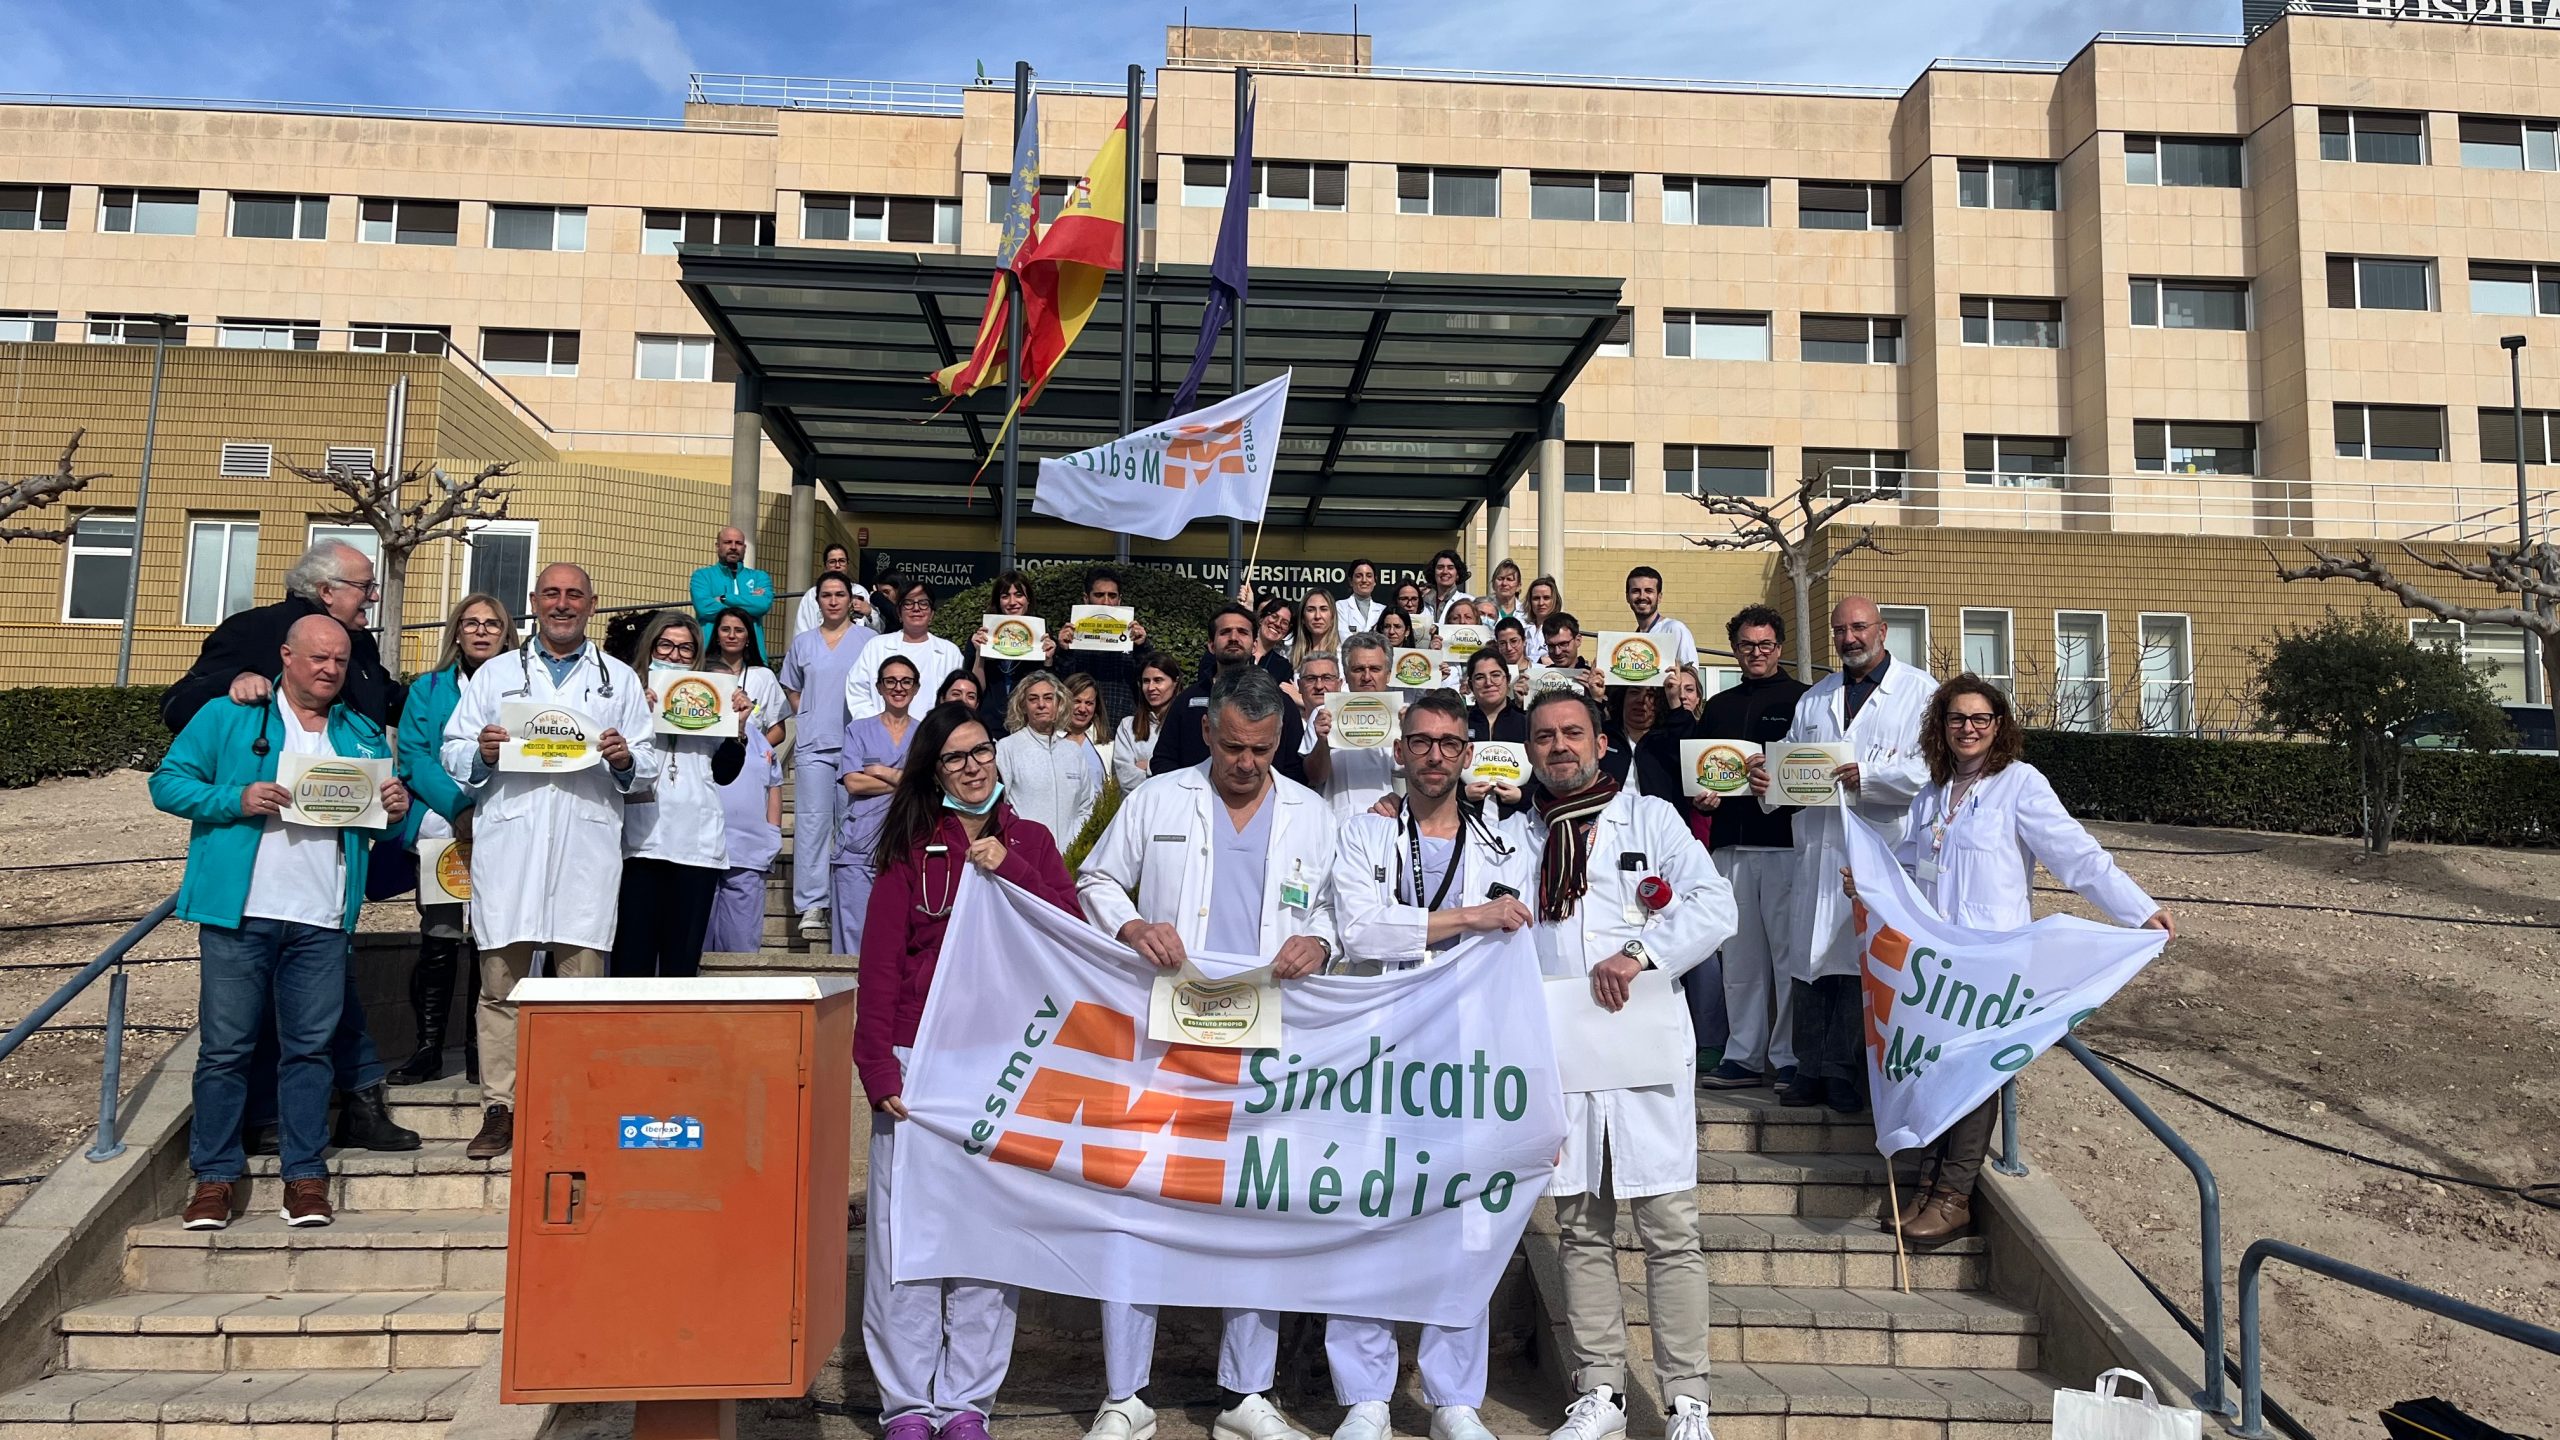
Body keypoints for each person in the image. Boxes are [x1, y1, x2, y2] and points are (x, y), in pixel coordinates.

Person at [1077, 666, 1338, 1440]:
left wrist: (1322, 941)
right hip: (1164, 1034)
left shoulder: (1313, 814)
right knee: (1138, 1203)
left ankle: (1245, 1394)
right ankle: (1125, 1394)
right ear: (1206, 733)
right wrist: (1131, 925)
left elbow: (1337, 907)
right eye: (1232, 747)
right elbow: (1096, 879)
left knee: (1255, 1209)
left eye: (1261, 749)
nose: (1246, 763)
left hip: (1268, 1038)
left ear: (1281, 740)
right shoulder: (1158, 799)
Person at [1849, 676, 2171, 1246]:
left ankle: (1954, 1197)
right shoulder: (1932, 792)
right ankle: (1927, 1184)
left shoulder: (2020, 784)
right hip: (1941, 961)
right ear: (1940, 726)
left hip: (1991, 963)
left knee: (1976, 1072)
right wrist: (1870, 884)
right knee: (1934, 1067)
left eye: (1980, 719)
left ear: (1998, 726)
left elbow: (2076, 856)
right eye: (1956, 718)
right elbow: (1907, 864)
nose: (1967, 729)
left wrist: (2140, 911)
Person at [859, 702, 1080, 1440]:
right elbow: (881, 965)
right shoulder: (912, 849)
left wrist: (1010, 868)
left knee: (988, 1238)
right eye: (955, 758)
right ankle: (906, 1405)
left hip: (1002, 1066)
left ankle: (965, 1404)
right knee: (907, 1238)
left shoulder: (1033, 841)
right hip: (917, 1065)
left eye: (981, 750)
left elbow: (1072, 933)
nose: (973, 766)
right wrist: (876, 1066)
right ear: (935, 772)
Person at [154, 616, 415, 1231]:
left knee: (309, 1053)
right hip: (240, 913)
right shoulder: (231, 715)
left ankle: (304, 1175)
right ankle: (214, 1178)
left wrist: (395, 810)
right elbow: (167, 784)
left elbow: (380, 828)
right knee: (225, 1051)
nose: (330, 669)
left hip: (321, 918)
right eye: (318, 657)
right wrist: (235, 799)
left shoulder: (362, 734)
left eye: (340, 660)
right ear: (286, 657)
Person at [1323, 691, 1536, 1440]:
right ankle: (1366, 1396)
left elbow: (1521, 941)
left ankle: (1454, 1399)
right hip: (1380, 1050)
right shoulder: (1365, 833)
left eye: (1449, 742)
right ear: (1400, 751)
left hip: (1469, 1056)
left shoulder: (1508, 843)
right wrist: (1472, 918)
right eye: (1422, 741)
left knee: (1465, 1224)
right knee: (1369, 1215)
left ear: (1468, 754)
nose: (1435, 754)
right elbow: (1360, 931)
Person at [1521, 689, 1734, 1440]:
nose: (1559, 747)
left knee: (1670, 1228)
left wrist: (1641, 952)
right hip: (1565, 1055)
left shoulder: (1651, 819)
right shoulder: (1515, 835)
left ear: (1600, 741)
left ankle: (1688, 1401)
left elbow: (1714, 906)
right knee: (1580, 1226)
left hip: (1643, 1050)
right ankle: (1601, 1392)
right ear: (1529, 748)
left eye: (1572, 733)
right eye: (1544, 736)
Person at [442, 562, 660, 1160]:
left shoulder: (617, 679)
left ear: (592, 603)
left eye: (574, 595)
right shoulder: (496, 674)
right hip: (511, 845)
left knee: (581, 988)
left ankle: (573, 1106)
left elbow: (647, 765)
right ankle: (500, 1108)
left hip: (584, 850)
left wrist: (624, 759)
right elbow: (453, 749)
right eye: (552, 594)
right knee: (499, 987)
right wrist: (482, 753)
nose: (562, 604)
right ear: (535, 601)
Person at [1749, 594, 1936, 1113]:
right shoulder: (1817, 698)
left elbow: (1929, 771)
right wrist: (1767, 781)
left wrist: (1868, 778)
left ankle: (1845, 1073)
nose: (1849, 639)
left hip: (1879, 846)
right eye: (1839, 631)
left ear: (1882, 630)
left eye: (1858, 628)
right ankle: (1808, 1069)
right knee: (1811, 960)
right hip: (1816, 847)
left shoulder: (1920, 693)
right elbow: (1791, 763)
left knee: (1858, 960)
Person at [388, 593, 508, 1086]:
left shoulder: (519, 686)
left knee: (491, 940)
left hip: (501, 826)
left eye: (492, 624)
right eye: (471, 622)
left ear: (506, 633)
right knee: (439, 936)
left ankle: (482, 1050)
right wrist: (458, 809)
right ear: (456, 631)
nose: (481, 631)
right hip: (443, 828)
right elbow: (415, 757)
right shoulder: (428, 688)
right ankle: (429, 1048)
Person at [1696, 606, 1810, 1092]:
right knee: (1739, 959)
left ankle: (1788, 1058)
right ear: (1734, 649)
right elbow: (1699, 773)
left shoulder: (1803, 700)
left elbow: (1811, 776)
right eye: (1746, 645)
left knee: (1787, 958)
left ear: (1779, 647)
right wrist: (1702, 797)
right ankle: (1743, 1055)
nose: (1756, 653)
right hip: (1730, 844)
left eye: (1765, 644)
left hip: (1785, 845)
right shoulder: (1718, 707)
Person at [614, 613, 751, 979]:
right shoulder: (627, 694)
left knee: (682, 966)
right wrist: (635, 714)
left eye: (685, 649)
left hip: (696, 846)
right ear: (650, 648)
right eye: (666, 646)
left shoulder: (710, 697)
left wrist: (737, 729)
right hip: (641, 845)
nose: (674, 656)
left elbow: (724, 773)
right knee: (632, 962)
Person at [161, 539, 398, 732]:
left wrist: (422, 696)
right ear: (326, 591)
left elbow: (387, 700)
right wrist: (235, 679)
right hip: (267, 775)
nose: (374, 597)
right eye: (365, 586)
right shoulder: (254, 628)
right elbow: (176, 706)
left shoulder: (361, 642)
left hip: (350, 774)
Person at [780, 572, 872, 940]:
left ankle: (847, 896)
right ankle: (813, 904)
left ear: (851, 600)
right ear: (817, 601)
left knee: (852, 825)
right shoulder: (803, 643)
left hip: (856, 746)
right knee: (812, 825)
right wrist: (809, 713)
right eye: (826, 595)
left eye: (839, 594)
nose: (833, 601)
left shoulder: (869, 641)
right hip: (815, 745)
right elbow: (792, 687)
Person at [1149, 605, 1310, 785]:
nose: (1234, 638)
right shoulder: (1187, 701)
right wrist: (1186, 794)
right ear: (1211, 645)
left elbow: (1295, 769)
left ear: (1254, 645)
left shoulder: (1279, 702)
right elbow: (1163, 760)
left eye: (1242, 632)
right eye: (1225, 632)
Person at [834, 656, 923, 957]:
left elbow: (928, 785)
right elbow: (854, 783)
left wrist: (882, 771)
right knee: (854, 938)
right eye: (891, 681)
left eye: (906, 681)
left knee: (897, 937)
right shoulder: (858, 730)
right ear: (879, 688)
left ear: (916, 688)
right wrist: (907, 781)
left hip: (906, 845)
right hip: (858, 846)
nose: (898, 688)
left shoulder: (924, 734)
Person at [995, 670, 1099, 860]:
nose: (1041, 704)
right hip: (1025, 858)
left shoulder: (1073, 751)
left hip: (1068, 858)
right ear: (1023, 706)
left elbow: (1086, 805)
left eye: (1048, 698)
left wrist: (1074, 842)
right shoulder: (1007, 748)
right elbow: (1001, 806)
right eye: (1033, 699)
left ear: (1059, 704)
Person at [706, 722, 784, 954]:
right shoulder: (698, 731)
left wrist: (773, 832)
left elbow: (774, 784)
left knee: (741, 949)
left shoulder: (759, 739)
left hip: (749, 855)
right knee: (693, 945)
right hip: (702, 854)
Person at [1304, 634, 1399, 822]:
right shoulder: (1323, 714)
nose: (1367, 677)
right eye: (1358, 669)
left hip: (1386, 820)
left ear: (1388, 674)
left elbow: (1409, 772)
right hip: (1335, 820)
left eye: (1375, 669)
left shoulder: (1401, 716)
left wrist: (1408, 734)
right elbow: (1314, 777)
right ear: (1346, 675)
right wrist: (1323, 743)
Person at [851, 580, 966, 721]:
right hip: (882, 730)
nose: (916, 608)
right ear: (899, 613)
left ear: (932, 614)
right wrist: (876, 725)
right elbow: (858, 690)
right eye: (908, 603)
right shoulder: (876, 647)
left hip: (934, 732)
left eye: (923, 603)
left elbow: (958, 697)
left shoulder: (949, 652)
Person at [1057, 566, 1153, 724]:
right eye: (1099, 595)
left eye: (1112, 596)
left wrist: (1141, 647)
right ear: (1086, 598)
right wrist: (1064, 651)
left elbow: (1149, 680)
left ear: (1119, 600)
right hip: (1080, 726)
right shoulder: (1071, 639)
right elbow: (1060, 684)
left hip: (1121, 727)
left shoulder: (1132, 639)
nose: (1106, 602)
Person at [971, 569, 1060, 733]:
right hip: (990, 725)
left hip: (1028, 726)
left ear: (1028, 600)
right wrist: (979, 654)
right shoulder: (981, 637)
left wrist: (1048, 660)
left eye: (1019, 595)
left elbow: (1050, 691)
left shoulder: (1043, 639)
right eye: (1005, 596)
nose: (1012, 602)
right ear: (998, 601)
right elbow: (975, 689)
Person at [704, 605, 789, 748]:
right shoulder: (701, 674)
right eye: (725, 629)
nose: (731, 636)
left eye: (739, 630)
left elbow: (778, 731)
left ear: (748, 637)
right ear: (717, 636)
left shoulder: (764, 676)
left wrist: (754, 752)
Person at [1112, 652, 1182, 795]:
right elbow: (1126, 779)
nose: (1151, 688)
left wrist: (1150, 767)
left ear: (1175, 682)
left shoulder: (1188, 723)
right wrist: (1170, 773)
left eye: (1158, 680)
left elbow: (1189, 773)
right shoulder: (1127, 726)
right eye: (1146, 681)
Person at [690, 524, 774, 622]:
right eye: (728, 542)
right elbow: (705, 609)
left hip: (751, 633)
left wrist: (724, 599)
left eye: (738, 543)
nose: (733, 547)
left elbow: (762, 605)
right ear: (717, 546)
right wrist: (750, 604)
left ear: (744, 548)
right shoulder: (702, 576)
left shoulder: (759, 577)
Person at [1623, 566, 1700, 673]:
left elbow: (1691, 674)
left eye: (1649, 591)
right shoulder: (1632, 641)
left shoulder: (1674, 629)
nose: (1642, 596)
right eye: (1636, 591)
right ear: (1627, 597)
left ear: (1659, 597)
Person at [793, 542, 862, 635]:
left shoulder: (860, 591)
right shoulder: (812, 594)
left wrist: (869, 613)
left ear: (848, 564)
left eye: (842, 561)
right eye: (832, 562)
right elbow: (802, 630)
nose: (837, 565)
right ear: (825, 566)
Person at [1062, 672, 1112, 801]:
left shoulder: (1107, 746)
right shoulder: (1051, 741)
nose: (1082, 709)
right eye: (1077, 701)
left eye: (1089, 703)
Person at [1464, 648, 1527, 744]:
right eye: (1480, 677)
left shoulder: (1527, 725)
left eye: (1496, 675)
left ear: (1508, 679)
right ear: (1471, 684)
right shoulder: (1460, 724)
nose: (1488, 683)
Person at [1421, 548, 1472, 631]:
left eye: (1450, 568)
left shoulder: (1469, 601)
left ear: (1457, 574)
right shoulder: (1422, 603)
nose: (1445, 571)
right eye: (1440, 567)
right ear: (1433, 572)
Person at [1293, 585, 1341, 670]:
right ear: (1303, 618)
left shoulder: (1344, 656)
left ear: (1332, 617)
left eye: (1323, 609)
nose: (1317, 616)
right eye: (1311, 610)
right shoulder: (1289, 655)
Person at [1522, 576, 1563, 665]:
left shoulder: (1562, 630)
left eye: (1546, 598)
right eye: (1536, 598)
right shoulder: (1525, 630)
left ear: (1554, 600)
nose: (1541, 603)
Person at [1338, 559, 1386, 636]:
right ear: (1350, 581)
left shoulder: (1383, 610)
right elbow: (1343, 637)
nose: (1364, 580)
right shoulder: (1340, 607)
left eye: (1369, 576)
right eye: (1358, 576)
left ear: (1375, 581)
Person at [1484, 558, 1525, 623]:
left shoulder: (1527, 613)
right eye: (1500, 579)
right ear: (1493, 584)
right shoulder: (1482, 609)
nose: (1504, 583)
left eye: (1509, 579)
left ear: (1518, 586)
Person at [1391, 580, 1432, 645]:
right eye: (1404, 599)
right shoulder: (1384, 622)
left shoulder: (1430, 624)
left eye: (1414, 599)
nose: (1410, 604)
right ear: (1396, 600)